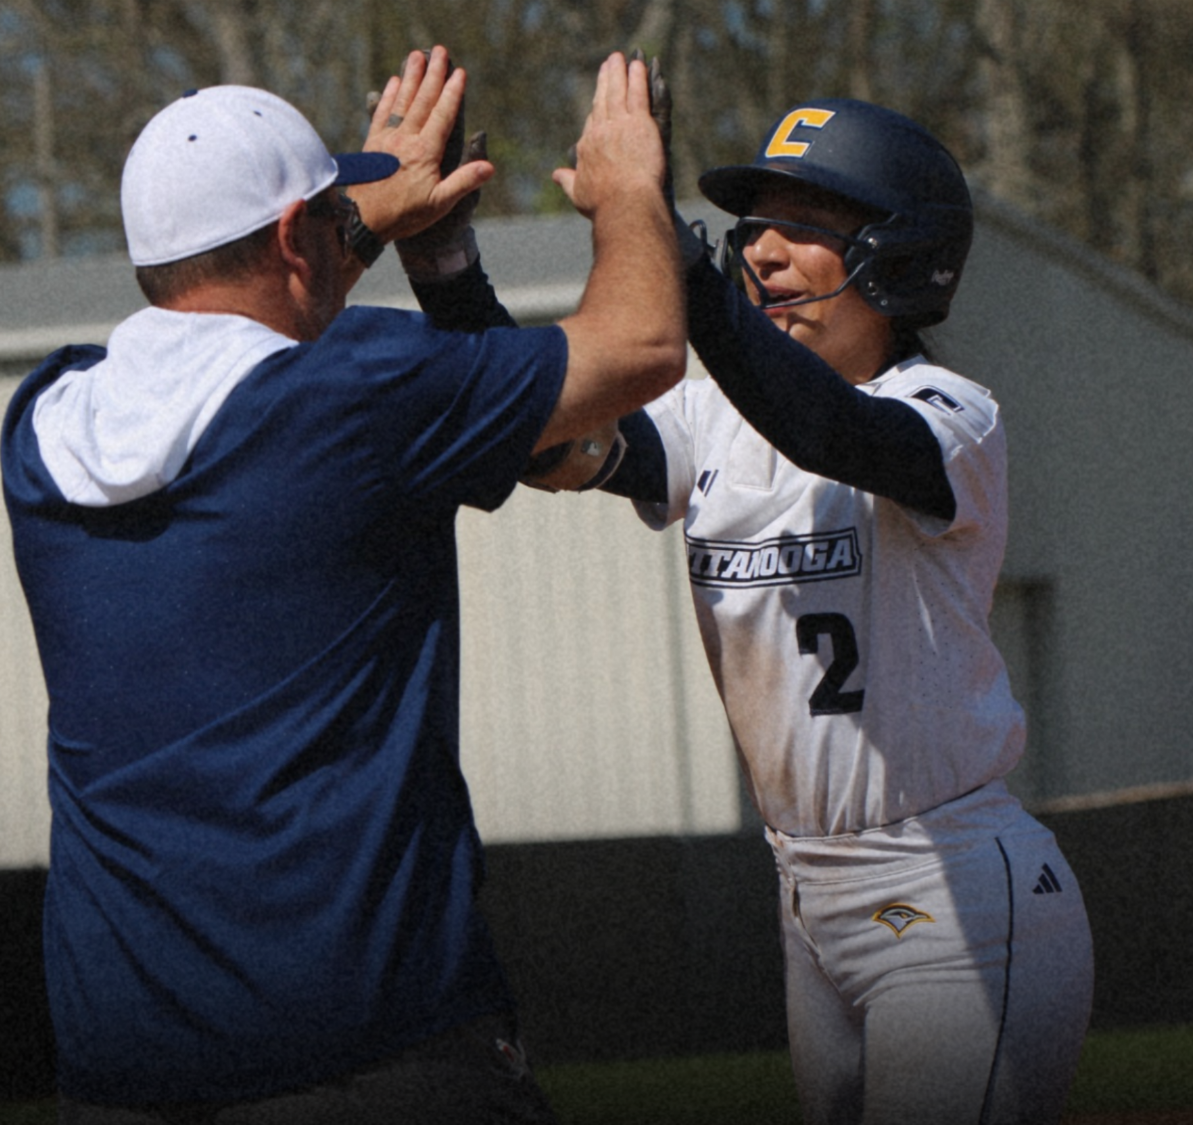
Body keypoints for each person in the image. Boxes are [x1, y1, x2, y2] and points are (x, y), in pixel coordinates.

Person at [0, 47, 683, 1123]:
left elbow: (245, 306)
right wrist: (628, 186)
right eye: (326, 218)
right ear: (289, 236)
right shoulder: (354, 390)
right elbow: (640, 343)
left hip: (121, 1067)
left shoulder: (41, 421)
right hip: (369, 1051)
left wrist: (365, 221)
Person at [439, 96, 1093, 1122]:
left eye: (807, 226)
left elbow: (826, 428)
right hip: (808, 898)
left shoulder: (952, 416)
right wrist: (444, 268)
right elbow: (538, 425)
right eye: (755, 231)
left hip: (955, 890)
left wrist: (667, 250)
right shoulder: (711, 421)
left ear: (896, 255)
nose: (766, 254)